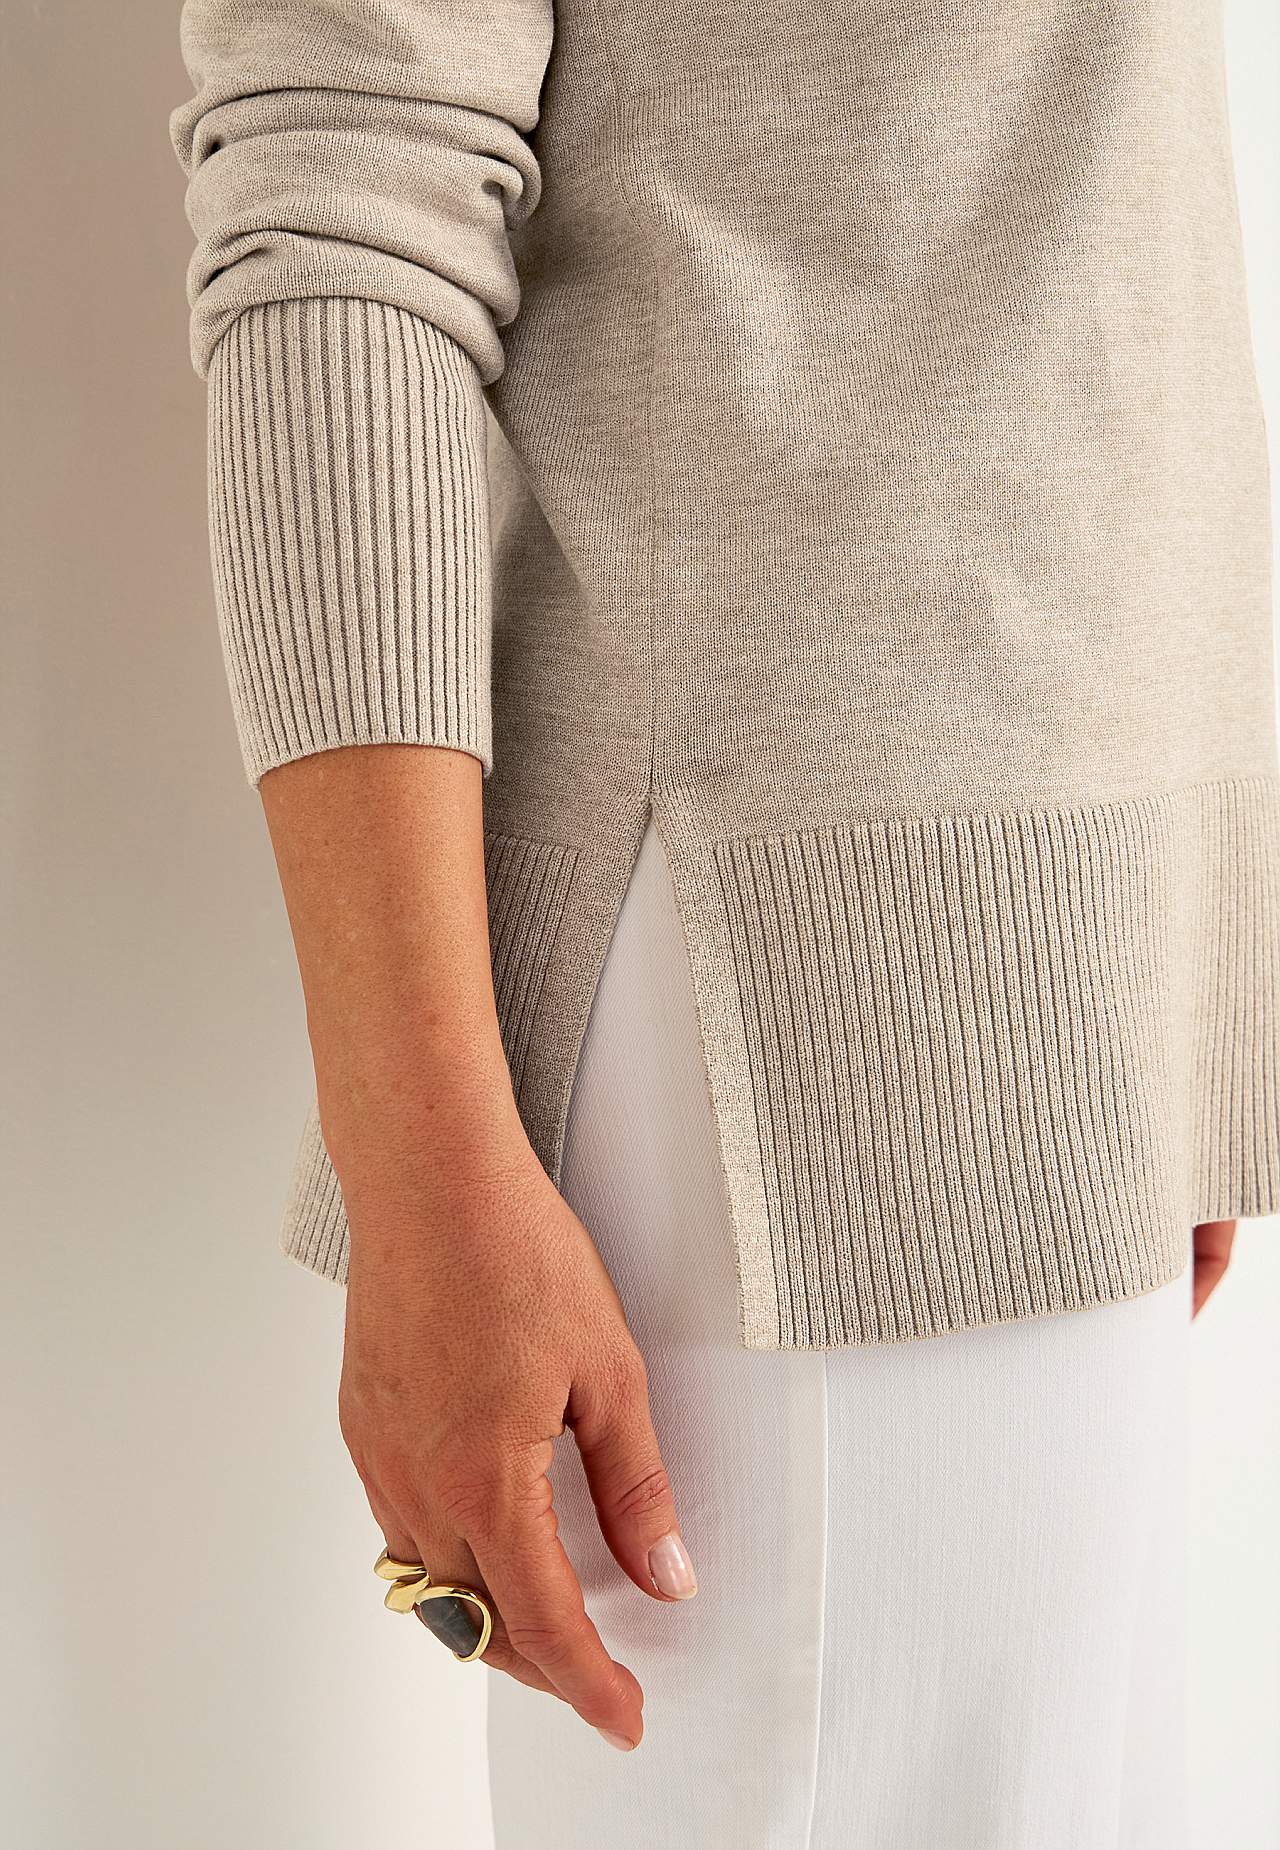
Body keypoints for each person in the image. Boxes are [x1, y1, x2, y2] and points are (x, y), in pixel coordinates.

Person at [168, 0, 1279, 1841]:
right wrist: (426, 1183)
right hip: (780, 1025)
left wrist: (1167, 951)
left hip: (1053, 968)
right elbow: (342, 197)